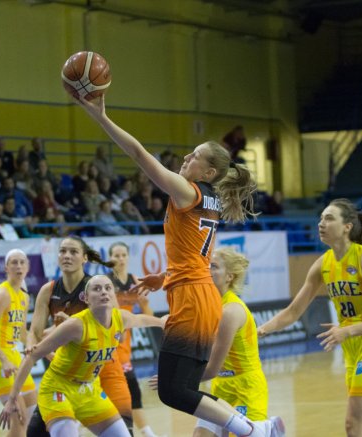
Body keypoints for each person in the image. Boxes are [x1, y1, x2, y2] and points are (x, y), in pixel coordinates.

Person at [77, 95, 280, 437]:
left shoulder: (190, 192)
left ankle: (254, 430)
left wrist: (101, 118)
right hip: (197, 293)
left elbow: (140, 156)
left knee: (174, 391)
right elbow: (193, 253)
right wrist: (166, 276)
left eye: (195, 156)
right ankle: (254, 428)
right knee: (181, 388)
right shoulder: (210, 198)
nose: (187, 157)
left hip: (192, 298)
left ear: (209, 171)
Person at [258, 198, 362, 437]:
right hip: (352, 348)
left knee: (354, 426)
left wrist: (346, 330)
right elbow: (293, 312)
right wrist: (261, 330)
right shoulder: (322, 264)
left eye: (329, 218)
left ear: (347, 226)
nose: (321, 223)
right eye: (320, 218)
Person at [0, 275, 164, 437]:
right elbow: (32, 356)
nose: (104, 292)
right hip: (58, 389)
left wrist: (164, 322)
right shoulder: (76, 325)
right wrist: (12, 399)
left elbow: (144, 320)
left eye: (108, 288)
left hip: (89, 389)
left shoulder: (121, 318)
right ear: (86, 298)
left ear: (113, 295)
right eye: (97, 289)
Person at [24, 236, 118, 436]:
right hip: (60, 374)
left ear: (84, 258)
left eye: (73, 252)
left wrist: (67, 325)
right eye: (63, 251)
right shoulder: (48, 290)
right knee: (36, 432)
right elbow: (35, 331)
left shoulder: (97, 289)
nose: (67, 255)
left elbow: (112, 329)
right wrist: (33, 351)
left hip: (88, 374)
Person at [194, 247, 280, 437]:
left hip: (246, 386)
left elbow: (211, 368)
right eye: (207, 265)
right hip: (220, 385)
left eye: (214, 266)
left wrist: (175, 381)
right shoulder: (207, 305)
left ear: (229, 277)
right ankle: (268, 431)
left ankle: (266, 430)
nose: (207, 270)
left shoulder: (230, 310)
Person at [0, 249, 37, 437]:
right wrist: (3, 359)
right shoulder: (2, 294)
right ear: (6, 268)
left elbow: (21, 332)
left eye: (22, 262)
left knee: (30, 410)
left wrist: (43, 350)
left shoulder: (24, 296)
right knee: (18, 419)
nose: (18, 266)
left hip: (13, 355)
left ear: (27, 267)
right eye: (14, 263)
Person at [106, 242, 163, 437]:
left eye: (123, 255)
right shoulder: (105, 283)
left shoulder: (135, 281)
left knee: (133, 394)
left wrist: (145, 304)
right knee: (122, 394)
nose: (120, 259)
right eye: (116, 255)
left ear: (129, 257)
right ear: (110, 258)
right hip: (109, 342)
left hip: (125, 344)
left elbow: (148, 314)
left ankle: (146, 432)